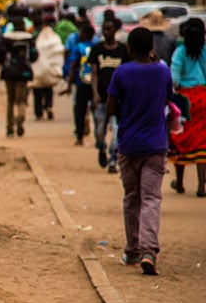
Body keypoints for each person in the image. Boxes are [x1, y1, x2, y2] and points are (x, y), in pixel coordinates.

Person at [106, 27, 171, 275]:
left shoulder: (122, 72)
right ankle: (149, 251)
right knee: (152, 198)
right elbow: (167, 100)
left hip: (129, 144)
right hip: (156, 145)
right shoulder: (162, 71)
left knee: (132, 197)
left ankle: (132, 250)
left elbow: (111, 108)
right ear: (151, 48)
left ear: (130, 49)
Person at [168, 17, 206, 197]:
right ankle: (200, 186)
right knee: (203, 141)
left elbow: (174, 80)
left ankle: (180, 183)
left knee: (180, 138)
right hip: (203, 97)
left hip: (185, 98)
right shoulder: (205, 51)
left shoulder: (180, 52)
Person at [89, 17, 129, 172]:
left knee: (116, 131)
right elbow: (94, 73)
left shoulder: (122, 50)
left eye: (109, 29)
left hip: (119, 98)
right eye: (104, 29)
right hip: (101, 96)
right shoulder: (97, 49)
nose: (106, 32)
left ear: (115, 30)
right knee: (100, 130)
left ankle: (113, 159)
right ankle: (101, 147)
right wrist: (94, 93)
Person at [0, 15, 38, 137]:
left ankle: (9, 128)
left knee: (10, 99)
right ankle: (20, 121)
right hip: (23, 73)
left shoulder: (5, 38)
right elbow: (34, 56)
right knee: (21, 99)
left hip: (8, 72)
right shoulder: (29, 39)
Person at [64, 24, 96, 145]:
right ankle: (97, 134)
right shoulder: (96, 47)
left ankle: (79, 135)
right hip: (94, 83)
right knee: (95, 108)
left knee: (79, 109)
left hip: (81, 83)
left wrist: (69, 83)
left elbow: (73, 66)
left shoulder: (78, 48)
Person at [30, 17, 65, 121]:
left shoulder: (34, 35)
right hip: (50, 67)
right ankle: (48, 106)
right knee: (48, 88)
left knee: (37, 90)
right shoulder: (53, 35)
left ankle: (38, 112)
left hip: (38, 68)